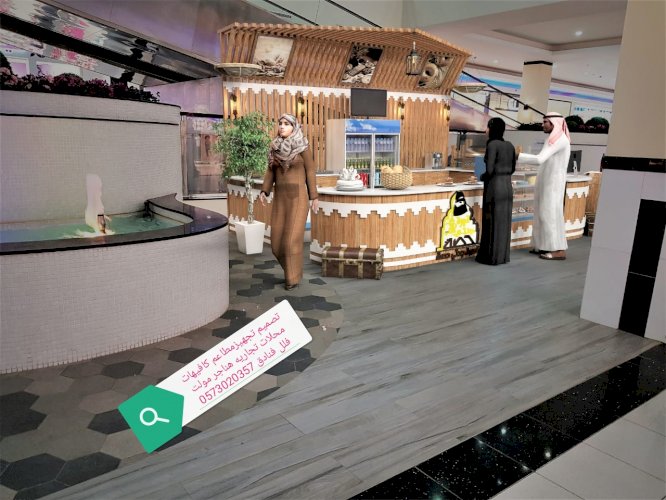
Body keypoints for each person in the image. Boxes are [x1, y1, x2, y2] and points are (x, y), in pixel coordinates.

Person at [259, 114, 319, 290]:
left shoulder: (302, 146)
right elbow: (270, 171)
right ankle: (294, 272)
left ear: (294, 127)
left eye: (286, 124)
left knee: (290, 241)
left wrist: (314, 196)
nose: (282, 126)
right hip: (280, 199)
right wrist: (264, 190)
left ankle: (291, 278)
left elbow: (310, 171)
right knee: (276, 244)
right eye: (280, 123)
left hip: (298, 198)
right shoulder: (275, 147)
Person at [518, 112, 571, 261]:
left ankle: (558, 250)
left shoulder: (559, 139)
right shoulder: (552, 138)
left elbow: (539, 159)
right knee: (541, 213)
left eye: (545, 122)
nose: (543, 125)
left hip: (553, 184)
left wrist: (517, 156)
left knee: (550, 215)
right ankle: (541, 245)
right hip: (546, 181)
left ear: (554, 123)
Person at [476, 118, 516, 265]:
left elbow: (489, 170)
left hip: (494, 188)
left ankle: (490, 257)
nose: (486, 130)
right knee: (504, 222)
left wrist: (481, 177)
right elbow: (513, 169)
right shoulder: (510, 145)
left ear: (492, 129)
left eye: (488, 127)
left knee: (491, 221)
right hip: (507, 187)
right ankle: (502, 257)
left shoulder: (492, 144)